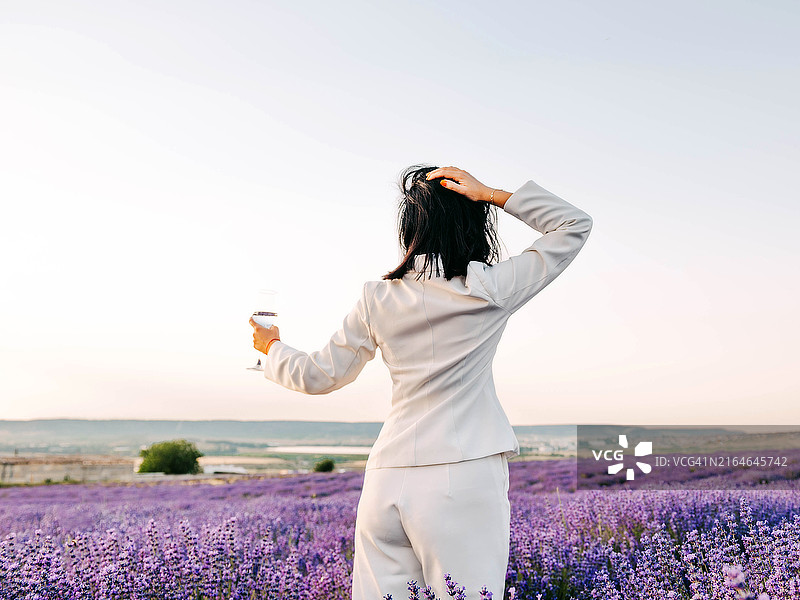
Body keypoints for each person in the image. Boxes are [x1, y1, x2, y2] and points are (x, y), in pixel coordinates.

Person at [250, 165, 593, 600]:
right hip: (464, 472)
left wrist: (272, 348)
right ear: (472, 222)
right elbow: (574, 224)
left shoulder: (377, 297)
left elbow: (319, 376)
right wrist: (492, 194)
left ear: (409, 227)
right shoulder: (488, 288)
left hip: (387, 478)